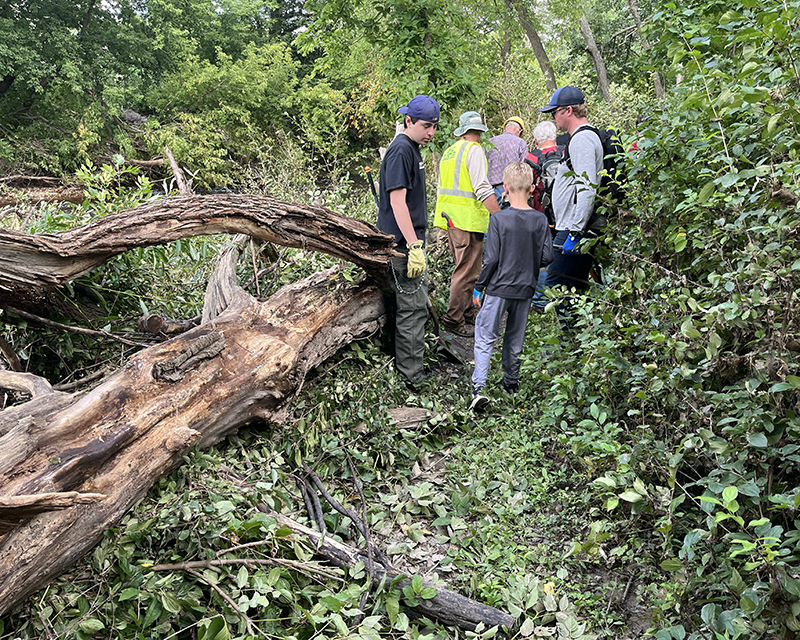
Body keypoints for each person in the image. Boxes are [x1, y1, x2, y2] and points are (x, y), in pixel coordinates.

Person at [469, 162, 553, 410]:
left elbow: (492, 259)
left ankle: (479, 388)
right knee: (515, 337)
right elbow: (547, 257)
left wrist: (479, 286)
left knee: (485, 335)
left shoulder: (498, 219)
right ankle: (511, 384)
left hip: (498, 288)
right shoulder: (540, 219)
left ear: (505, 188)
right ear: (532, 188)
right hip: (525, 289)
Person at [378, 94, 440, 388]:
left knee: (406, 308)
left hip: (406, 243)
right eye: (426, 126)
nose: (431, 132)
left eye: (435, 126)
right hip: (403, 246)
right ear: (408, 121)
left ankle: (400, 366)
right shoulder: (401, 151)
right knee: (413, 310)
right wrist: (414, 245)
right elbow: (397, 202)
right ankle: (412, 377)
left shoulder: (411, 148)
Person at [537, 86, 603, 326]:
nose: (553, 118)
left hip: (574, 228)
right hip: (573, 226)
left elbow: (587, 187)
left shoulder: (582, 139)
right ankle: (575, 338)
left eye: (554, 112)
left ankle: (568, 339)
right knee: (574, 286)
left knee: (554, 284)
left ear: (568, 110)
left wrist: (575, 232)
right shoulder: (581, 138)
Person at [434, 111, 500, 338]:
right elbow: (482, 187)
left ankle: (468, 312)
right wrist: (500, 216)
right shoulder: (474, 150)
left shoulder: (449, 151)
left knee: (468, 269)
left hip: (452, 219)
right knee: (465, 271)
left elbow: (441, 188)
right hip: (468, 220)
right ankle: (454, 319)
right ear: (480, 131)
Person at [526, 120, 564, 313]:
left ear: (535, 140)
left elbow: (524, 189)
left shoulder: (530, 158)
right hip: (566, 214)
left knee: (541, 256)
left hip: (541, 214)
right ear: (555, 137)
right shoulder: (565, 152)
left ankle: (540, 302)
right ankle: (563, 295)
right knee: (562, 253)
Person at [486, 117, 529, 208]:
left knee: (494, 217)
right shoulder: (521, 143)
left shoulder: (489, 142)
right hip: (512, 192)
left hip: (490, 193)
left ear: (504, 129)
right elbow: (525, 170)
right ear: (520, 131)